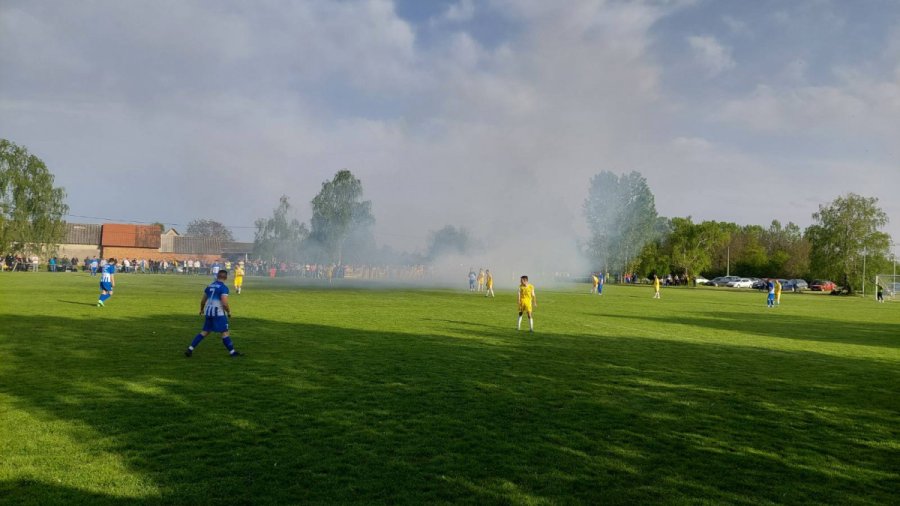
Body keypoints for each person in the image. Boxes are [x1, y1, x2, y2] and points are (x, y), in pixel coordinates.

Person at [185, 270, 242, 358]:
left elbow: (203, 301)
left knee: (204, 332)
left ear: (217, 276)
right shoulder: (224, 288)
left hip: (208, 312)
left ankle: (190, 349)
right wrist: (229, 312)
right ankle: (232, 352)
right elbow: (224, 303)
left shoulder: (209, 286)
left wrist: (201, 310)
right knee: (225, 333)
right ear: (226, 278)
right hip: (218, 314)